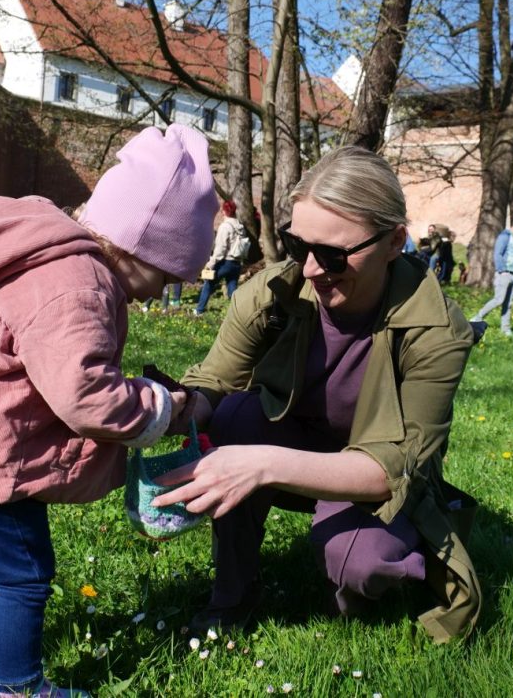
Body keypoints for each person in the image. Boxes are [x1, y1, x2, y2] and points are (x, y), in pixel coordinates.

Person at [0, 125, 216, 698]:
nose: (164, 291)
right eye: (168, 275)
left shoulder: (53, 259)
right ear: (141, 245)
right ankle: (16, 687)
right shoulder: (77, 285)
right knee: (25, 573)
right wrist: (168, 406)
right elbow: (88, 398)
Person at [159, 146, 483, 644]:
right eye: (296, 244)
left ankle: (352, 584)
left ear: (395, 241)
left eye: (333, 254)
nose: (310, 269)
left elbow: (392, 468)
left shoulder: (436, 329)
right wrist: (173, 409)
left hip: (370, 469)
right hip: (294, 440)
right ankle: (233, 595)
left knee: (363, 563)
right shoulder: (273, 293)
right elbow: (216, 380)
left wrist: (259, 465)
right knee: (233, 418)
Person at [472, 218, 513, 336]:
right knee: (499, 299)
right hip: (505, 274)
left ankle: (505, 329)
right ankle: (477, 317)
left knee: (509, 303)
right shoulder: (504, 236)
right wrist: (502, 270)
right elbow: (498, 253)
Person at [194, 200, 248, 315]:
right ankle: (236, 313)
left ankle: (199, 310)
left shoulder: (225, 226)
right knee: (232, 288)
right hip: (237, 263)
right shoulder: (240, 227)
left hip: (225, 262)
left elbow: (220, 249)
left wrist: (211, 263)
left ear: (225, 211)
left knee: (209, 283)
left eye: (222, 210)